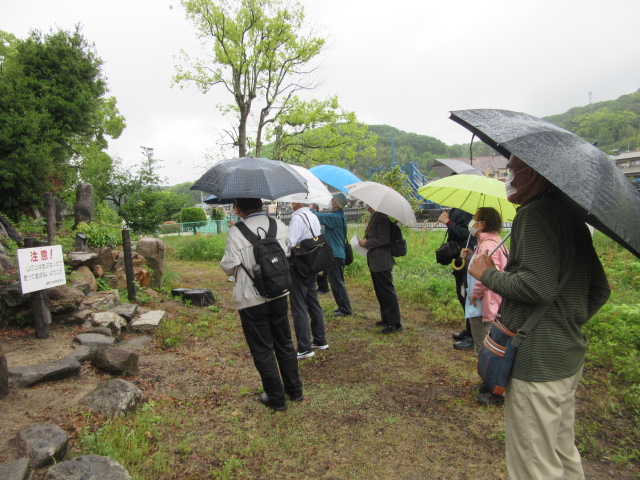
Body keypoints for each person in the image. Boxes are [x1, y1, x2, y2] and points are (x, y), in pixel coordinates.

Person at [469, 154, 611, 479]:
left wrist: (487, 274)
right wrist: (563, 325)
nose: (508, 177)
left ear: (531, 173)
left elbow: (536, 287)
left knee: (534, 463)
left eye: (511, 171)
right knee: (561, 452)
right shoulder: (571, 216)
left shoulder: (533, 215)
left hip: (535, 363)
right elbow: (600, 289)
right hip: (566, 357)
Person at [220, 198, 303, 411]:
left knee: (263, 349)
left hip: (251, 298)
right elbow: (286, 253)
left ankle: (276, 398)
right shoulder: (278, 225)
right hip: (278, 293)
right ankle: (295, 390)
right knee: (284, 342)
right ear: (260, 205)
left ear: (238, 209)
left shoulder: (236, 232)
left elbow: (229, 266)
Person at [459, 207, 509, 406]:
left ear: (482, 224)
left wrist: (475, 293)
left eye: (475, 219)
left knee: (484, 348)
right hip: (490, 302)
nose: (472, 222)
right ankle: (490, 384)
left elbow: (490, 272)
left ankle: (492, 388)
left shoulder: (489, 244)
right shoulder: (492, 241)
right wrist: (470, 255)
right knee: (489, 345)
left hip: (483, 303)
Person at [288, 201, 329, 359]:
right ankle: (320, 339)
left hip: (299, 266)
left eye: (293, 201)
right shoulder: (313, 216)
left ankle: (304, 347)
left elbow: (290, 243)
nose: (292, 203)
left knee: (298, 305)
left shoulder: (297, 218)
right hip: (312, 263)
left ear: (298, 202)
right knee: (313, 301)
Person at [359, 205, 402, 333]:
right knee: (380, 292)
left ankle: (395, 324)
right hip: (375, 261)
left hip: (382, 261)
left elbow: (384, 239)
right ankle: (386, 318)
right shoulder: (375, 217)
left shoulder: (382, 218)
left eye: (368, 204)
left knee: (387, 292)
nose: (366, 206)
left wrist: (367, 243)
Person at [438, 207, 477, 350]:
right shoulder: (456, 208)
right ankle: (469, 329)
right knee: (462, 295)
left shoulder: (467, 210)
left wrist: (447, 222)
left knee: (468, 296)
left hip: (467, 258)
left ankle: (474, 336)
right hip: (459, 258)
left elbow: (467, 233)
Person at [311, 192, 353, 318]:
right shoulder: (340, 216)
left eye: (332, 200)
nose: (331, 201)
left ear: (336, 203)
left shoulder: (334, 218)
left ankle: (345, 309)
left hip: (335, 255)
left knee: (337, 283)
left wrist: (307, 210)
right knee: (338, 282)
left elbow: (318, 216)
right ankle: (342, 307)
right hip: (339, 254)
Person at [310, 203, 330, 294]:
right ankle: (321, 287)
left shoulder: (320, 222)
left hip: (321, 247)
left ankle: (323, 288)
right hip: (317, 248)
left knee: (321, 270)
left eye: (311, 209)